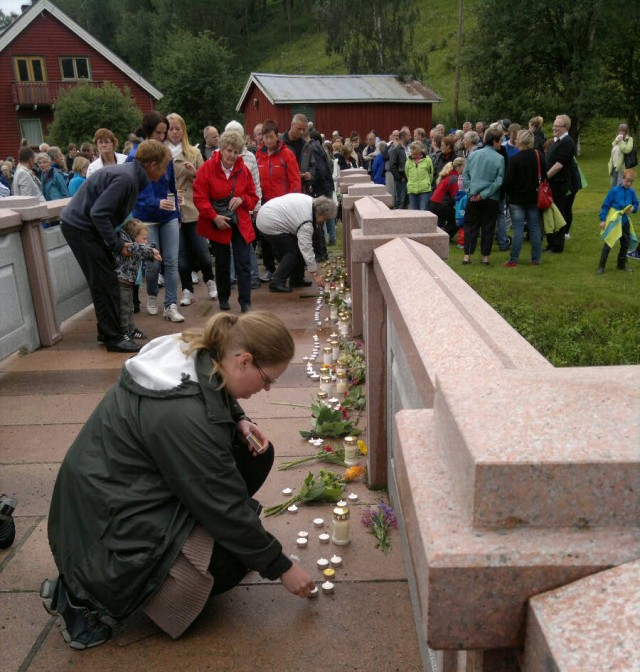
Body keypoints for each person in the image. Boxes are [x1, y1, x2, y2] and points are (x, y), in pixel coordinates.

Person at [41, 310, 315, 650]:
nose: (268, 388)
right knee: (230, 561)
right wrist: (281, 566)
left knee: (254, 452)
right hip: (106, 535)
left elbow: (211, 392)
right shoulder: (183, 416)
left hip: (117, 496)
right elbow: (224, 506)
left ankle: (205, 537)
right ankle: (81, 599)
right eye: (268, 379)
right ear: (243, 361)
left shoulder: (197, 350)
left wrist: (238, 417)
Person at [60, 139, 171, 352]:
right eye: (164, 166)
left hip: (82, 226)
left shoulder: (130, 175)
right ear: (153, 165)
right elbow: (99, 213)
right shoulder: (126, 179)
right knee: (103, 281)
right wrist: (118, 245)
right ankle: (113, 338)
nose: (165, 172)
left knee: (106, 279)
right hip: (80, 228)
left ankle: (108, 332)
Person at [127, 111, 184, 322]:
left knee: (171, 260)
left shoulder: (165, 154)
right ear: (148, 132)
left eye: (164, 132)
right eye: (158, 133)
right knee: (153, 264)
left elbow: (172, 187)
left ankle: (170, 305)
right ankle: (152, 293)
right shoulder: (135, 157)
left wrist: (176, 213)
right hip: (146, 217)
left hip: (167, 214)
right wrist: (155, 202)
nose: (162, 136)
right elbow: (135, 194)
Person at [193, 130, 258, 313]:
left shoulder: (244, 169)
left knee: (243, 262)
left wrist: (242, 199)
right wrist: (214, 216)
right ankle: (223, 298)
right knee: (222, 262)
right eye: (229, 150)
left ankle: (246, 302)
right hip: (217, 220)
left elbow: (253, 196)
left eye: (236, 151)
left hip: (240, 220)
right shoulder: (207, 168)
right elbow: (200, 197)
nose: (232, 155)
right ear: (221, 149)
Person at [166, 113, 218, 306]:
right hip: (172, 208)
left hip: (192, 206)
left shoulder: (194, 153)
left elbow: (206, 182)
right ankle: (187, 289)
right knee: (181, 255)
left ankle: (210, 280)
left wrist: (195, 174)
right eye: (170, 128)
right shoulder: (161, 152)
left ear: (184, 130)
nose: (174, 132)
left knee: (202, 250)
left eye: (178, 128)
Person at [256, 193, 337, 293]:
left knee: (296, 248)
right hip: (268, 222)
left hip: (268, 212)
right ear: (321, 214)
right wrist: (315, 274)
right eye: (325, 219)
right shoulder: (306, 222)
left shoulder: (312, 202)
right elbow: (306, 248)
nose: (324, 222)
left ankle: (296, 279)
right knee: (293, 251)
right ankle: (277, 282)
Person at [256, 119, 301, 283]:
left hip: (283, 204)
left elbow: (295, 179)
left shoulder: (286, 154)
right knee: (265, 237)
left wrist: (293, 201)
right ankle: (269, 268)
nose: (268, 140)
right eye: (265, 137)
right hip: (265, 203)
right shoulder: (258, 155)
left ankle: (285, 270)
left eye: (270, 137)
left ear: (277, 137)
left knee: (285, 239)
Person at [503, 129, 546, 267]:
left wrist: (505, 191)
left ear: (519, 141)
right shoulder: (539, 155)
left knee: (518, 229)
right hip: (534, 197)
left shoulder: (515, 159)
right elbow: (545, 176)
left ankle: (513, 259)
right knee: (534, 228)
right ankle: (536, 259)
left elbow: (508, 181)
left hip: (517, 198)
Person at [461, 128, 505, 265]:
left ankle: (467, 256)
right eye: (500, 141)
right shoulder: (500, 158)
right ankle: (485, 257)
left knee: (470, 226)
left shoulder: (473, 155)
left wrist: (471, 191)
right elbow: (499, 180)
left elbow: (465, 175)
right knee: (488, 227)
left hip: (473, 196)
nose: (501, 144)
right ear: (494, 141)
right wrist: (485, 194)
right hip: (490, 197)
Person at [114, 218, 162, 339]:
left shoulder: (136, 246)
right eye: (144, 238)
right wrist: (151, 251)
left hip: (128, 282)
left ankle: (131, 329)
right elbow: (136, 248)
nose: (146, 242)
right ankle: (124, 332)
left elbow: (141, 249)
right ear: (133, 237)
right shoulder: (127, 245)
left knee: (129, 307)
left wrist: (152, 253)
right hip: (121, 281)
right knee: (124, 308)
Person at [544, 114, 576, 253]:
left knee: (558, 213)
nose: (554, 128)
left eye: (558, 126)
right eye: (554, 125)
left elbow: (559, 164)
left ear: (566, 127)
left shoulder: (567, 142)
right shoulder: (557, 141)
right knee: (550, 213)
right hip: (551, 183)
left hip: (559, 184)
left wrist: (545, 177)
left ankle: (558, 245)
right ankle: (551, 243)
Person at [597, 168, 638, 274]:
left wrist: (633, 208)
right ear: (622, 178)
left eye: (631, 182)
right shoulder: (614, 191)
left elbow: (636, 203)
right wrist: (603, 220)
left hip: (625, 221)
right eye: (627, 181)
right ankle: (601, 266)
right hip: (614, 221)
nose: (629, 184)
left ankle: (621, 265)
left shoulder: (632, 192)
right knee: (609, 243)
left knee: (625, 243)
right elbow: (605, 206)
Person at [428, 158, 465, 241]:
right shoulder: (455, 178)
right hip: (441, 204)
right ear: (458, 167)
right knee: (457, 219)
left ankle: (444, 236)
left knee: (450, 218)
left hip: (434, 204)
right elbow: (456, 196)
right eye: (464, 166)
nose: (465, 168)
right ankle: (445, 237)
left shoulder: (448, 177)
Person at [280, 113, 315, 196]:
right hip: (284, 191)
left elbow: (313, 166)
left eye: (304, 129)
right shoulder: (280, 143)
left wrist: (310, 174)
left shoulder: (306, 146)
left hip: (302, 191)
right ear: (292, 125)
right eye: (299, 129)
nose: (301, 132)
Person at [405, 141, 433, 211]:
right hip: (412, 189)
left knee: (423, 210)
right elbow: (407, 174)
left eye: (415, 154)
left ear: (419, 152)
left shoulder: (428, 160)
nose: (413, 155)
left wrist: (426, 183)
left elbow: (431, 174)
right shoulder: (408, 161)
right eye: (412, 153)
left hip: (424, 190)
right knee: (414, 212)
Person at [389, 129, 410, 209]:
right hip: (401, 180)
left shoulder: (409, 149)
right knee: (400, 202)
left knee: (406, 202)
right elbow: (392, 166)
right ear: (404, 136)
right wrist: (399, 177)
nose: (410, 137)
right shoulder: (396, 150)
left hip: (409, 179)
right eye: (408, 135)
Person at [608, 123, 634, 188]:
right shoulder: (616, 139)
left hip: (622, 168)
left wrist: (621, 141)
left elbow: (627, 150)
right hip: (614, 167)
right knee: (613, 187)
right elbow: (613, 153)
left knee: (621, 187)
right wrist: (610, 164)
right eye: (620, 130)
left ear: (626, 131)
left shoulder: (629, 139)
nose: (621, 132)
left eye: (623, 130)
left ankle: (624, 198)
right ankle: (613, 198)